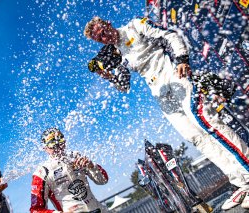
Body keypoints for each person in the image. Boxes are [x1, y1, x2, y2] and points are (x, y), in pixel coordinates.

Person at [84, 16, 249, 210]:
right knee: (195, 137)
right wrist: (107, 76)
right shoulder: (117, 54)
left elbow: (170, 35)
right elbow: (123, 85)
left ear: (108, 24)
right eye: (99, 39)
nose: (104, 38)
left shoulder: (134, 26)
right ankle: (240, 182)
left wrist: (181, 59)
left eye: (103, 32)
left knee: (206, 123)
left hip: (175, 75)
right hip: (160, 93)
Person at [30, 127, 109, 213]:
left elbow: (103, 180)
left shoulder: (76, 156)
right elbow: (35, 210)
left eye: (60, 140)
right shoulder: (42, 172)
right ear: (45, 148)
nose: (57, 146)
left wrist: (92, 166)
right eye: (52, 143)